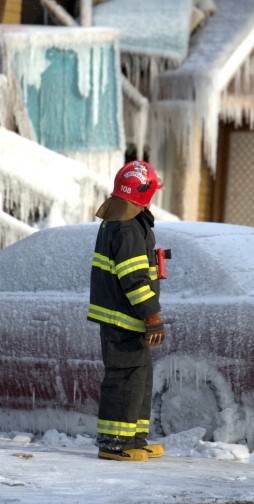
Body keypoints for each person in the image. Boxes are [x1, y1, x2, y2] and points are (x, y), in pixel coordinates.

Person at [87, 160, 166, 462]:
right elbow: (133, 278)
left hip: (127, 318)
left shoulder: (127, 220)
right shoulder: (127, 227)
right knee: (124, 378)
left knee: (139, 377)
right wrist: (152, 315)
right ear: (143, 192)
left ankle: (134, 438)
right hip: (124, 319)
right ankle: (113, 444)